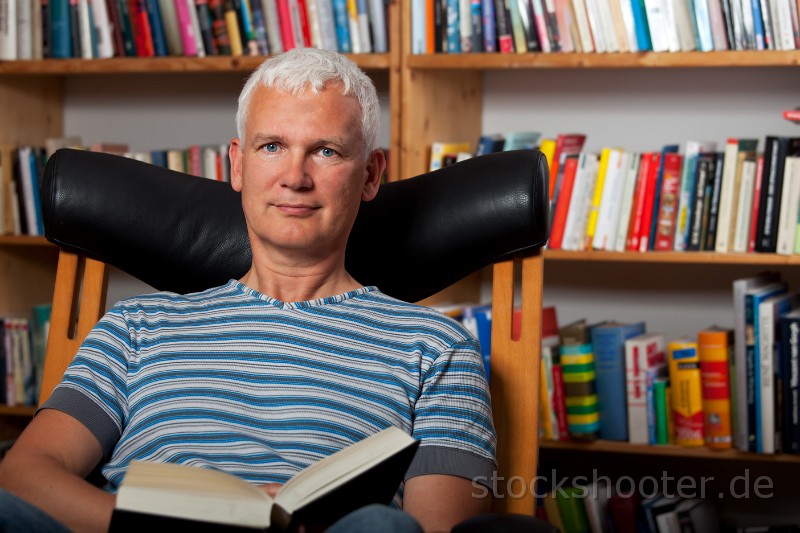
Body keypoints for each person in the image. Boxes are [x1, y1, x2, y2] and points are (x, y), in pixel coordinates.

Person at [0, 48, 496, 533]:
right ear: (237, 165)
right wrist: (152, 524)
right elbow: (23, 475)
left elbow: (438, 527)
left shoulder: (437, 347)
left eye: (326, 151)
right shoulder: (135, 327)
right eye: (272, 146)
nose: (295, 178)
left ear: (369, 175)